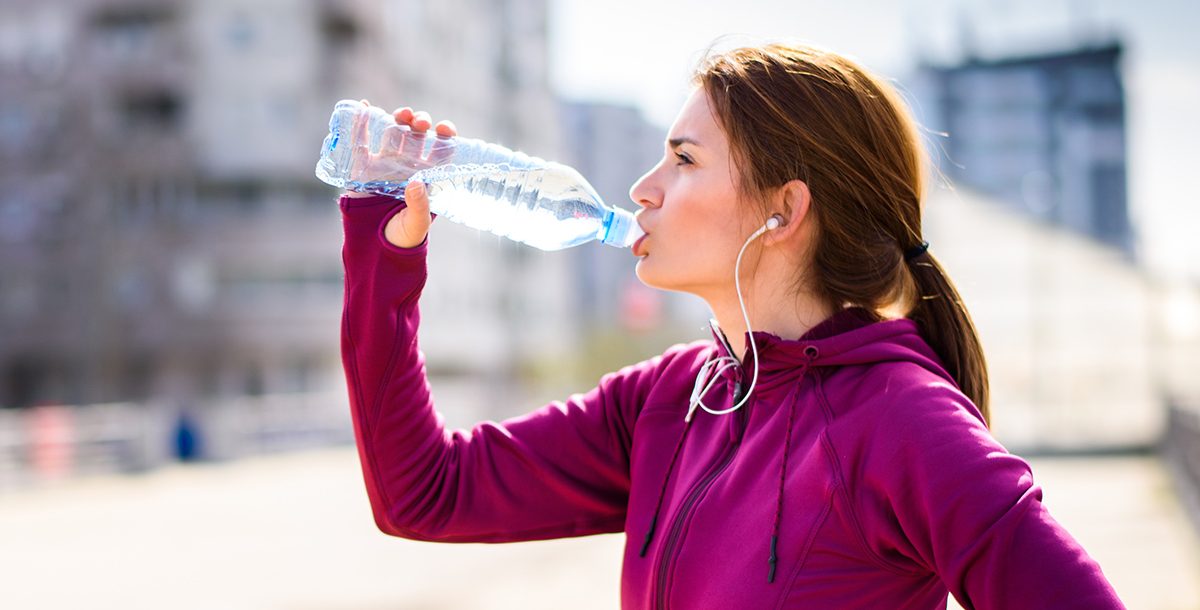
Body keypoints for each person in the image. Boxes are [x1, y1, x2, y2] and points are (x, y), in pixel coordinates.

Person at [339, 42, 1125, 609]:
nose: (643, 189)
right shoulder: (669, 398)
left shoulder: (904, 421)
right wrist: (386, 256)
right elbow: (424, 494)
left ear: (783, 210)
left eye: (683, 159)